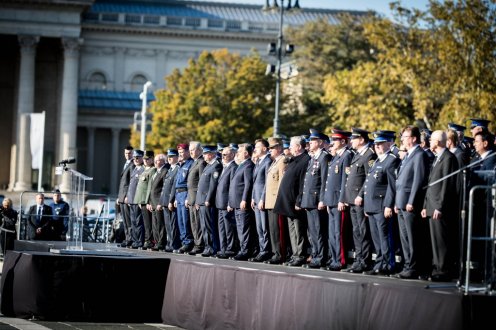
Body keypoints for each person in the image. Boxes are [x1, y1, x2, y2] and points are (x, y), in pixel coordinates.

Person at [421, 130, 460, 281]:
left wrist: (440, 207)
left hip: (439, 207)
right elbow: (431, 184)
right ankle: (436, 268)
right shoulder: (438, 158)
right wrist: (425, 205)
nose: (430, 142)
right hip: (431, 205)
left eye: (431, 140)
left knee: (441, 241)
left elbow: (447, 184)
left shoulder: (449, 158)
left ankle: (443, 270)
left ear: (437, 142)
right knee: (434, 240)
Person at [394, 125, 430, 279]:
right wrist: (397, 202)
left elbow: (418, 180)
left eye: (405, 137)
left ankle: (414, 267)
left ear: (414, 138)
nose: (402, 139)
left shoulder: (419, 155)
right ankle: (407, 265)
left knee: (413, 237)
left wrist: (412, 200)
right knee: (404, 237)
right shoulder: (408, 155)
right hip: (401, 201)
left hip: (410, 202)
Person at [363, 131, 400, 276]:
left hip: (381, 205)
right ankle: (379, 262)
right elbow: (369, 184)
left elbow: (392, 186)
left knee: (384, 237)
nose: (377, 146)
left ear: (389, 144)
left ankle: (387, 264)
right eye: (376, 144)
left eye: (380, 144)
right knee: (376, 238)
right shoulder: (378, 160)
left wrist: (388, 205)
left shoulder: (391, 160)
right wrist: (367, 205)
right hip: (372, 205)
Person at [342, 128, 376, 273]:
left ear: (362, 140)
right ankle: (358, 260)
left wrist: (361, 195)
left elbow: (368, 179)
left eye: (354, 139)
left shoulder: (369, 155)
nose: (351, 141)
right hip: (352, 200)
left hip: (359, 200)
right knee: (356, 231)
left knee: (363, 231)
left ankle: (365, 261)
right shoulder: (357, 155)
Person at [274, 136, 311, 267]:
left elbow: (303, 183)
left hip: (295, 202)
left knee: (299, 230)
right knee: (292, 230)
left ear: (299, 147)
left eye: (291, 145)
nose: (289, 148)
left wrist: (299, 200)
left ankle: (300, 255)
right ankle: (295, 254)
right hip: (287, 202)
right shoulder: (294, 160)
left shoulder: (305, 160)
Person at [300, 129, 332, 269]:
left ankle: (320, 257)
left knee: (318, 231)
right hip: (309, 199)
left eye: (312, 141)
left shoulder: (324, 157)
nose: (309, 143)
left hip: (316, 199)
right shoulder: (314, 157)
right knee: (312, 231)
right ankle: (315, 254)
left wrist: (322, 199)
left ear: (320, 142)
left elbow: (324, 180)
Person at [323, 129, 353, 271]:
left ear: (342, 141)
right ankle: (334, 258)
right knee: (332, 233)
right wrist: (328, 200)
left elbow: (345, 180)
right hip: (332, 200)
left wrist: (342, 199)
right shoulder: (336, 157)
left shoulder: (347, 156)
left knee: (339, 233)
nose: (332, 142)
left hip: (338, 200)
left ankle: (340, 260)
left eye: (335, 140)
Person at [262, 137, 288, 264]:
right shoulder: (275, 162)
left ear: (278, 148)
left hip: (276, 201)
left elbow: (282, 183)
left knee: (278, 229)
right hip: (270, 201)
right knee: (272, 229)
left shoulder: (283, 161)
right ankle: (275, 253)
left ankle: (280, 254)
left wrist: (279, 201)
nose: (269, 150)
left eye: (272, 148)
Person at [228, 143, 255, 261]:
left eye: (239, 152)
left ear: (245, 153)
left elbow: (248, 184)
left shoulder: (248, 165)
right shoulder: (241, 165)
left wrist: (244, 199)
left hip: (242, 202)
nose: (237, 154)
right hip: (236, 202)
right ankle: (242, 249)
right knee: (240, 227)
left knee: (244, 228)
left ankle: (245, 251)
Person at [196, 145, 223, 257]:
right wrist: (198, 200)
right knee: (204, 226)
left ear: (212, 154)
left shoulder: (216, 166)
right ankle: (207, 246)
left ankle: (212, 248)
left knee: (209, 226)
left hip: (207, 201)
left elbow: (213, 185)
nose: (204, 156)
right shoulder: (208, 166)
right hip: (201, 200)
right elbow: (201, 185)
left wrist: (208, 199)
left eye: (206, 153)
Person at [250, 138, 273, 263]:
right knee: (259, 227)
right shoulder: (259, 161)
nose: (255, 149)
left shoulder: (268, 161)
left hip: (262, 199)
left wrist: (262, 198)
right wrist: (253, 197)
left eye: (257, 147)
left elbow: (266, 183)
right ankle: (261, 249)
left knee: (264, 227)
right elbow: (255, 182)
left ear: (264, 148)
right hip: (256, 198)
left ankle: (266, 251)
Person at [215, 146, 239, 259]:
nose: (222, 157)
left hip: (226, 203)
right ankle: (223, 248)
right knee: (222, 228)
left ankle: (230, 248)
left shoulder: (233, 167)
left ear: (232, 155)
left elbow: (232, 187)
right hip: (220, 203)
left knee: (229, 228)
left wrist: (230, 202)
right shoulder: (225, 167)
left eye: (225, 154)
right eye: (222, 155)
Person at [186, 141, 206, 255]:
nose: (191, 152)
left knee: (198, 222)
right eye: (190, 150)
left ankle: (199, 244)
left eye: (193, 150)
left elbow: (201, 183)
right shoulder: (194, 162)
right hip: (191, 197)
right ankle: (196, 242)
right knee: (193, 222)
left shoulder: (201, 162)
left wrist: (199, 199)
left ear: (199, 150)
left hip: (197, 197)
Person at [158, 149, 181, 252]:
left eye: (172, 156)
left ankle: (174, 244)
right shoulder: (170, 169)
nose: (169, 158)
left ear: (177, 157)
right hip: (165, 201)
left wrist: (171, 201)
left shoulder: (177, 169)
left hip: (170, 201)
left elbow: (173, 187)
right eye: (168, 156)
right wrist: (162, 201)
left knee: (173, 225)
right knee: (168, 224)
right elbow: (165, 187)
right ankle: (170, 242)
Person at [146, 153, 170, 251]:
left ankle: (161, 242)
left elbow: (164, 189)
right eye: (155, 160)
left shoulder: (164, 171)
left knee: (160, 224)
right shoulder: (156, 171)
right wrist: (149, 202)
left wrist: (161, 202)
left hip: (159, 202)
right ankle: (156, 242)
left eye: (158, 160)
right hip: (153, 202)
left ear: (163, 161)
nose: (156, 162)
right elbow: (151, 189)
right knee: (155, 225)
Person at [174, 143, 195, 253]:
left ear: (187, 152)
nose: (181, 154)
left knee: (186, 220)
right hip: (179, 195)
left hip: (185, 194)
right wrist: (175, 198)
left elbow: (189, 182)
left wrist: (187, 197)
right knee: (180, 220)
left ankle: (188, 242)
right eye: (179, 153)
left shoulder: (191, 164)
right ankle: (184, 241)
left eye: (182, 152)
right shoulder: (181, 165)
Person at [134, 150, 156, 249]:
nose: (146, 161)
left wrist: (148, 201)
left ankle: (149, 240)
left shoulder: (152, 170)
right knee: (144, 222)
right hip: (141, 200)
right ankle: (146, 240)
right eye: (145, 159)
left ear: (152, 159)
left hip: (146, 201)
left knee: (148, 223)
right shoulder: (145, 170)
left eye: (148, 159)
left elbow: (150, 187)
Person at [126, 149, 145, 249]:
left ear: (142, 158)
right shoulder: (134, 169)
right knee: (133, 221)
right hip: (132, 199)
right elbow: (131, 186)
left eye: (138, 158)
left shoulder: (143, 169)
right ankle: (134, 240)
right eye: (135, 158)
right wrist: (129, 198)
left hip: (137, 200)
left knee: (138, 222)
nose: (136, 159)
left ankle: (139, 241)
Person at [117, 145, 135, 247]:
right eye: (126, 153)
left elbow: (131, 182)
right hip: (122, 196)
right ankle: (127, 238)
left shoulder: (132, 165)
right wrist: (119, 197)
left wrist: (128, 196)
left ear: (132, 154)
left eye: (129, 153)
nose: (127, 155)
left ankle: (130, 239)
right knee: (125, 220)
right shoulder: (126, 164)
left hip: (126, 197)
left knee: (128, 220)